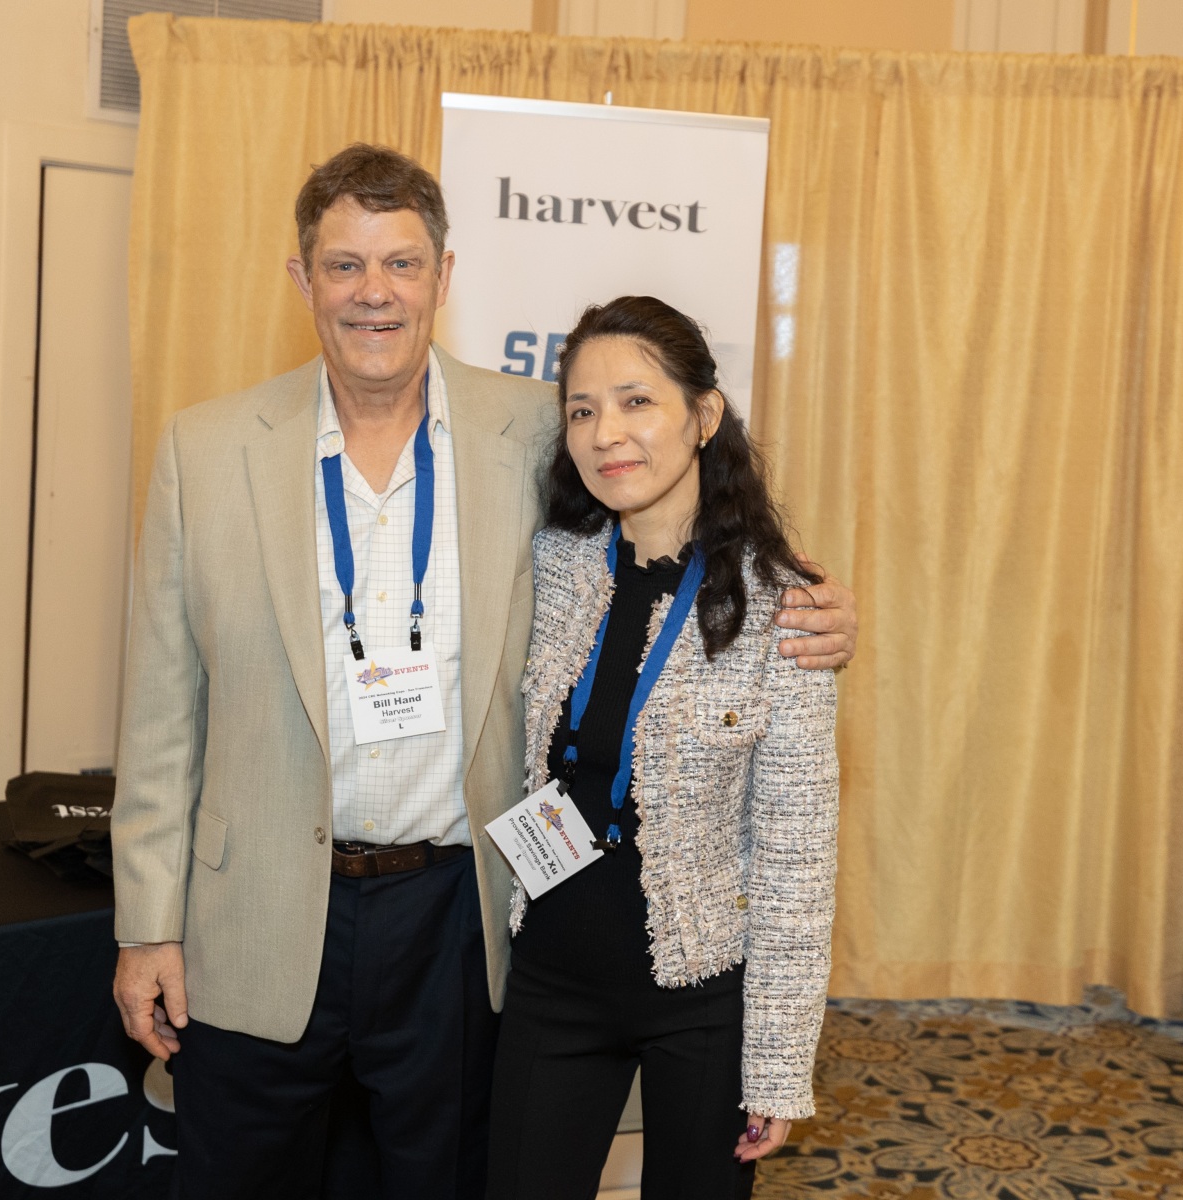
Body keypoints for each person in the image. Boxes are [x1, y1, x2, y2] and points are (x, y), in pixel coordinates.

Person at [109, 144, 856, 1199]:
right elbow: (160, 714)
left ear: (444, 277)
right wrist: (147, 925)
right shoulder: (205, 450)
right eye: (345, 265)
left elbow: (676, 514)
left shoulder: (540, 432)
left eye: (402, 263)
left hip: (458, 918)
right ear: (302, 278)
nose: (375, 292)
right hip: (257, 917)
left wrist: (811, 608)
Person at [486, 296, 840, 1200]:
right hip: (553, 977)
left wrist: (778, 1067)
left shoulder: (781, 611)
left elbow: (797, 859)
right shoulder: (546, 565)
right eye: (582, 410)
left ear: (704, 415)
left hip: (703, 994)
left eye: (637, 401)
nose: (607, 432)